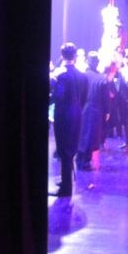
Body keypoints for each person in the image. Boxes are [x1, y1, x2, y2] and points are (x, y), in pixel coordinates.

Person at [50, 42, 88, 197]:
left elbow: (58, 96)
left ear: (61, 55)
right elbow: (84, 98)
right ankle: (66, 181)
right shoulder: (82, 75)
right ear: (75, 56)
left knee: (63, 149)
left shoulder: (60, 74)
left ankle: (65, 188)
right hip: (77, 114)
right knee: (71, 148)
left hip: (63, 115)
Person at [76, 51, 110, 170]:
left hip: (81, 109)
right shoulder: (101, 78)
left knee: (81, 135)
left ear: (87, 61)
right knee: (91, 137)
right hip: (96, 111)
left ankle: (79, 159)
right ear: (97, 63)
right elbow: (105, 98)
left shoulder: (81, 76)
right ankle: (85, 161)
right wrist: (107, 111)